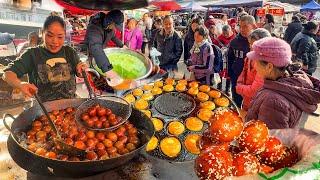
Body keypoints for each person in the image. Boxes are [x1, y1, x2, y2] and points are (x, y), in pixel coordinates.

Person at [2, 14, 87, 102]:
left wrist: (82, 70)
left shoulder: (70, 52)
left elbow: (80, 72)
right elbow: (7, 74)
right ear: (42, 33)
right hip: (43, 109)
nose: (55, 41)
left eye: (60, 37)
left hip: (70, 105)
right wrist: (20, 84)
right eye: (50, 36)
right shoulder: (32, 54)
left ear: (65, 35)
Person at [246, 37, 320, 129]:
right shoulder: (296, 80)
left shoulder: (272, 101)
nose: (255, 66)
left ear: (269, 67)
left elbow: (271, 140)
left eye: (256, 62)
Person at [84, 10, 125, 84]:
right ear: (109, 22)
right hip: (92, 53)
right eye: (114, 25)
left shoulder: (110, 28)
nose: (115, 28)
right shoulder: (94, 28)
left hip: (100, 52)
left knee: (102, 65)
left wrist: (122, 45)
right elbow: (95, 47)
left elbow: (113, 37)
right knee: (96, 75)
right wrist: (108, 70)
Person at [236, 28, 271, 111]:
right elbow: (243, 72)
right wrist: (239, 83)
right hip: (246, 99)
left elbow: (255, 90)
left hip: (257, 103)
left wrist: (239, 88)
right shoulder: (250, 56)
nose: (251, 47)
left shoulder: (265, 64)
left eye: (254, 44)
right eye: (250, 44)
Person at [227, 15, 256, 107]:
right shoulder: (234, 42)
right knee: (236, 101)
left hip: (252, 81)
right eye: (240, 26)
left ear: (253, 26)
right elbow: (230, 58)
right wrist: (230, 74)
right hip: (236, 76)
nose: (242, 29)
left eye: (245, 26)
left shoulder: (259, 42)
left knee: (251, 104)